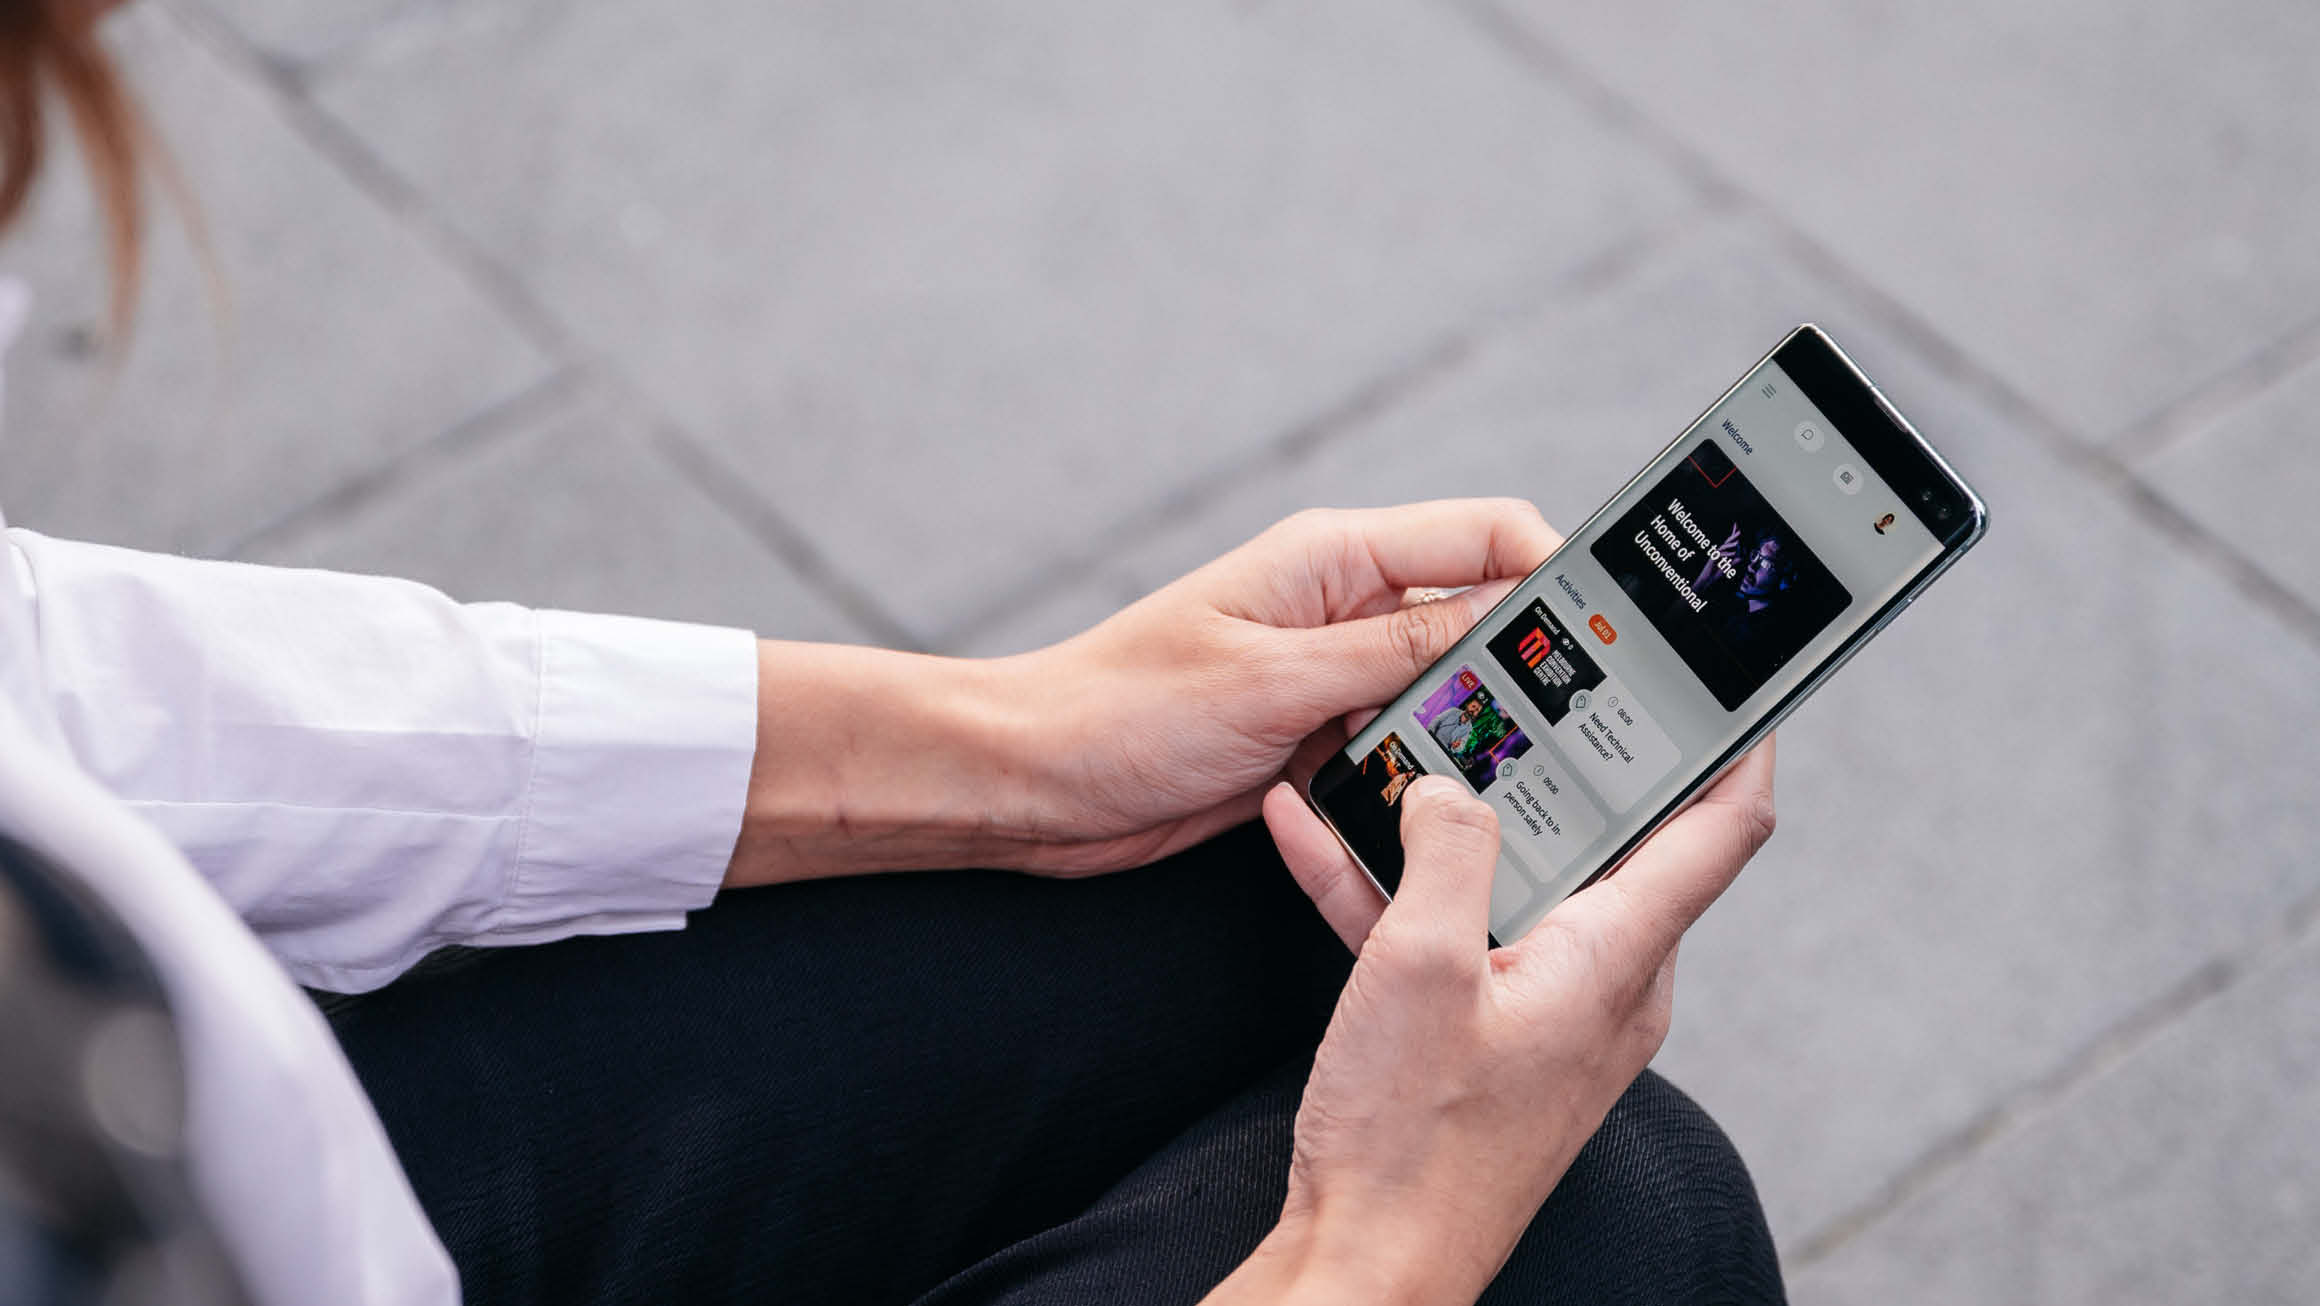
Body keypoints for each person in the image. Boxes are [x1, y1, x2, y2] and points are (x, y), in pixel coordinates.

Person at [0, 4, 1785, 1304]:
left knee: (1242, 891)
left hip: (219, 1137)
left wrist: (1015, 746)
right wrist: (1371, 1248)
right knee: (1628, 1216)